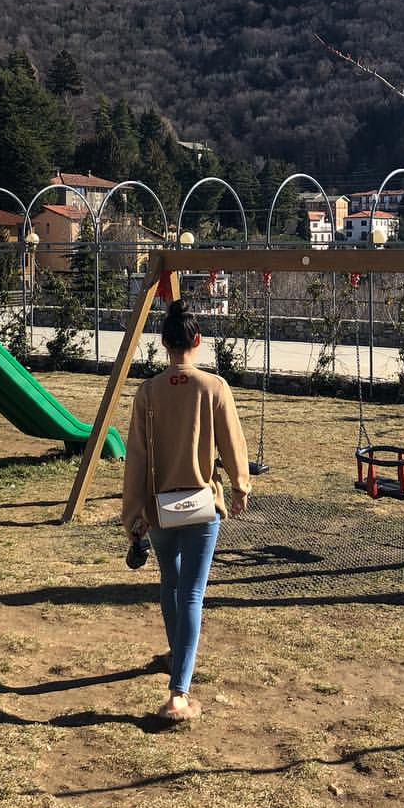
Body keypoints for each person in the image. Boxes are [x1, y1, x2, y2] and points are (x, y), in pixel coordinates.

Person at [122, 298, 250, 723]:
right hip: (201, 505)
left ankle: (178, 657)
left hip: (160, 508)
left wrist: (133, 512)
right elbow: (232, 442)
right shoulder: (214, 387)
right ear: (198, 341)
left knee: (171, 584)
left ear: (163, 343)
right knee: (192, 593)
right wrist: (241, 486)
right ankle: (179, 692)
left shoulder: (148, 392)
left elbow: (136, 456)